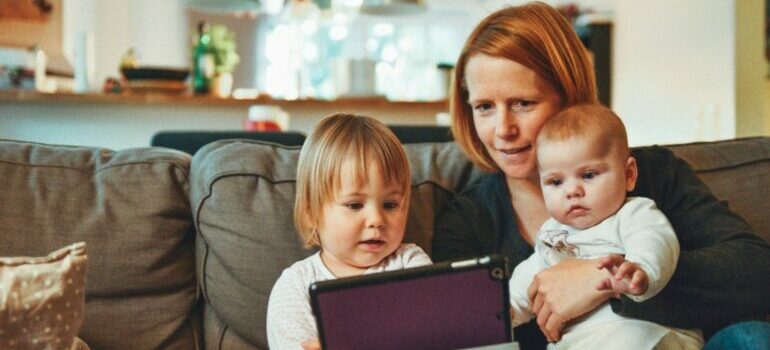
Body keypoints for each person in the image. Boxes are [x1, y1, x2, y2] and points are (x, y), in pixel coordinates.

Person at [431, 2, 770, 349]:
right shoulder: (466, 221)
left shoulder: (653, 174)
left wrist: (603, 280)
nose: (503, 129)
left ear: (569, 97)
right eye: (484, 107)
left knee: (752, 337)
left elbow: (757, 272)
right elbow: (463, 329)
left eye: (523, 103)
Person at [508, 104, 702, 349]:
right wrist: (507, 310)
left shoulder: (633, 213)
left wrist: (640, 272)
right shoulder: (551, 232)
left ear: (629, 174)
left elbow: (655, 242)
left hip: (643, 333)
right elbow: (531, 277)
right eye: (556, 181)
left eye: (588, 175)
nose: (572, 191)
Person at [266, 113, 432, 350]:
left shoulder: (410, 263)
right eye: (354, 205)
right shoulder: (295, 286)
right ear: (311, 212)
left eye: (390, 205)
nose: (376, 220)